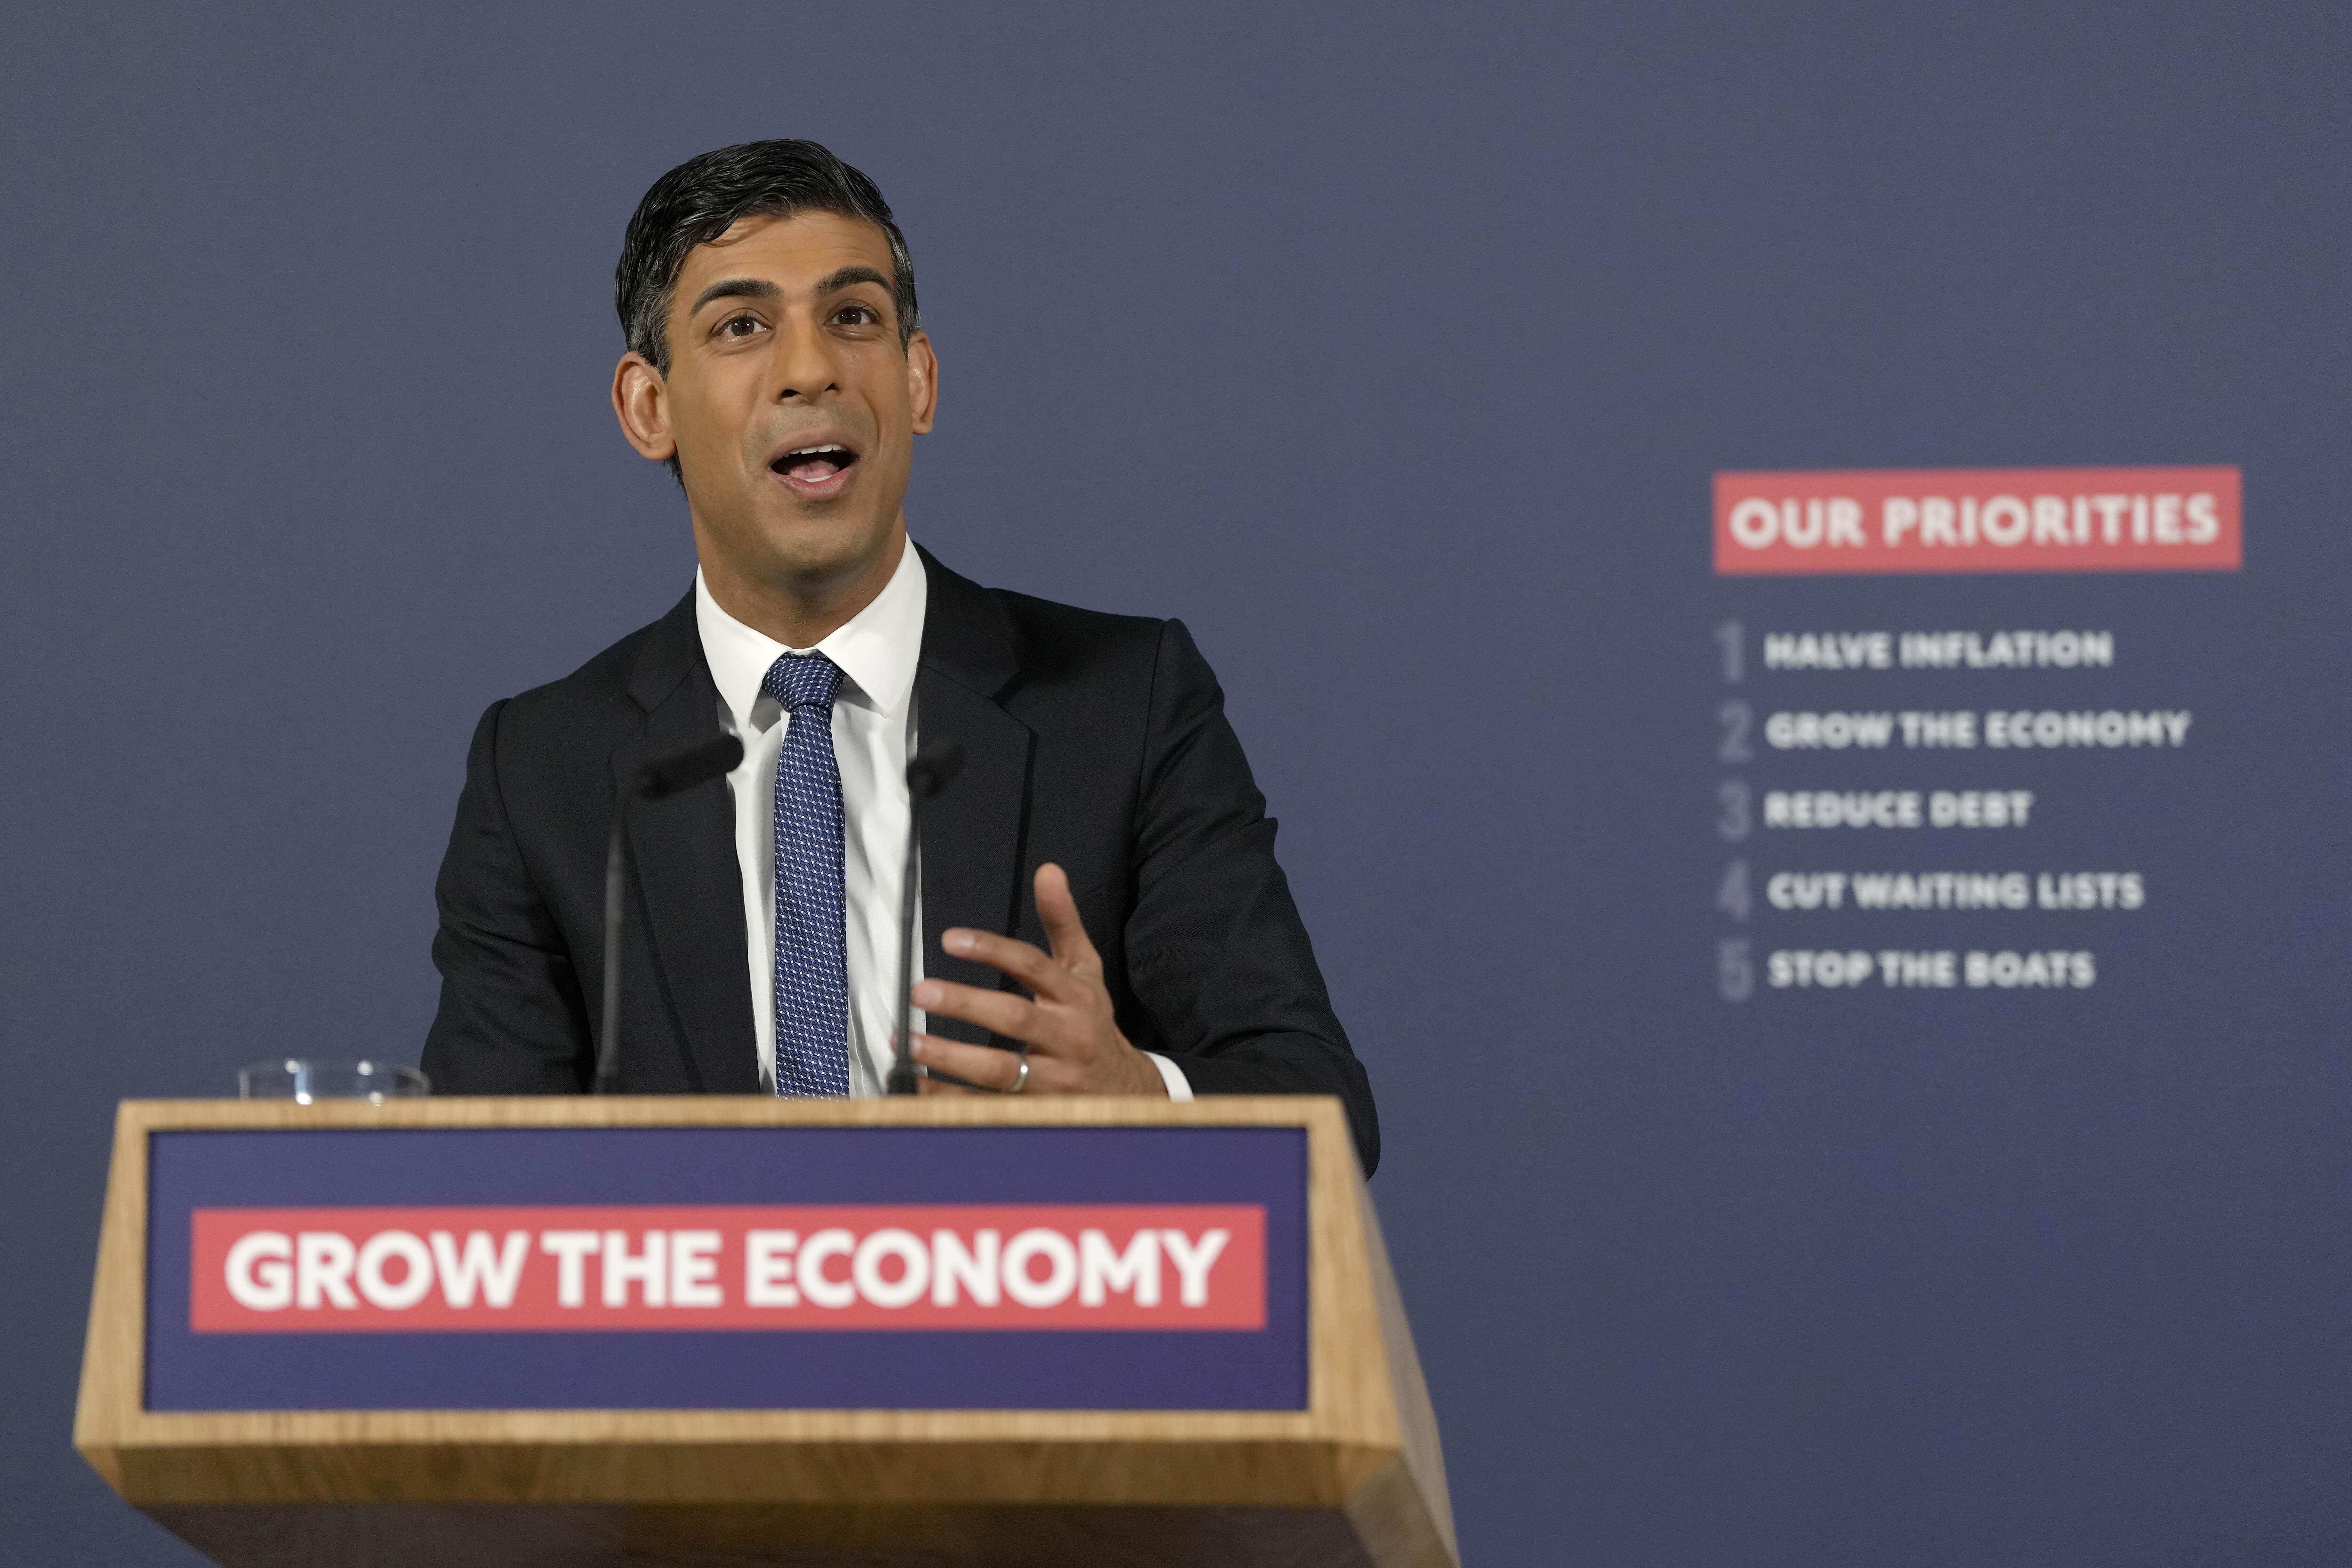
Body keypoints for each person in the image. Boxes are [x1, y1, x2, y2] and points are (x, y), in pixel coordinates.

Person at [421, 139, 1376, 1170]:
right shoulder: (540, 771)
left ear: (918, 381)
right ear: (648, 407)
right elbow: (486, 1190)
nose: (812, 368)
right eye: (742, 326)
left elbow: (1322, 1109)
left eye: (854, 317)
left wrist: (1138, 1095)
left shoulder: (1128, 703)